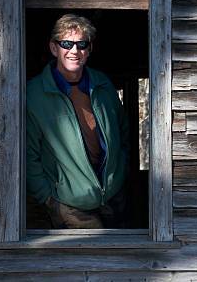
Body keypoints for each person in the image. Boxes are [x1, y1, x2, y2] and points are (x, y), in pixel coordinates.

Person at [26, 14, 130, 229]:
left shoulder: (103, 85)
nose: (75, 51)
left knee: (121, 257)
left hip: (112, 194)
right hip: (69, 202)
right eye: (66, 43)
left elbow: (123, 131)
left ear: (90, 49)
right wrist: (48, 198)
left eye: (82, 44)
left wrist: (120, 172)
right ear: (54, 48)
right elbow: (28, 154)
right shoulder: (34, 93)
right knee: (91, 258)